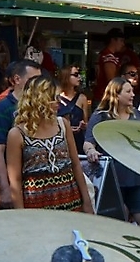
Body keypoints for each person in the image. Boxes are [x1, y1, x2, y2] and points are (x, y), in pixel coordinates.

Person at [7, 75, 94, 214]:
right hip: (36, 206)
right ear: (40, 100)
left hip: (71, 201)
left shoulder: (63, 125)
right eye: (54, 98)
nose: (59, 102)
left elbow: (75, 165)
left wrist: (86, 201)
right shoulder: (17, 134)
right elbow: (15, 180)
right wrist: (21, 215)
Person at [83, 76, 140, 227]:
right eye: (128, 91)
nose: (133, 94)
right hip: (112, 178)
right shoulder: (100, 116)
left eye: (132, 91)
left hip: (135, 176)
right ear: (116, 94)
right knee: (118, 219)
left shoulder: (136, 115)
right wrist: (91, 151)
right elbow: (88, 142)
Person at [0, 59, 42, 208]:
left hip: (37, 184)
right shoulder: (3, 107)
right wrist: (5, 189)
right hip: (16, 183)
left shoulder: (39, 106)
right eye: (33, 79)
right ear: (17, 79)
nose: (38, 84)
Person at [56, 61, 90, 136]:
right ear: (66, 76)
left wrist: (83, 125)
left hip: (78, 137)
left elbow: (86, 123)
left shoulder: (82, 98)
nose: (79, 77)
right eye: (75, 74)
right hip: (61, 136)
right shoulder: (56, 98)